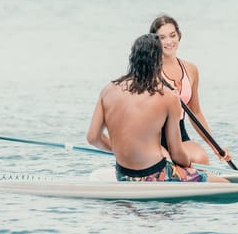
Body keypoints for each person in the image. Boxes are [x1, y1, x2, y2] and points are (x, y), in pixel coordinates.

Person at [86, 33, 228, 182]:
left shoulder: (108, 90)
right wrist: (188, 167)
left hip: (123, 175)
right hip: (156, 174)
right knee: (223, 183)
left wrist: (119, 150)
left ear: (132, 58)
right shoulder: (168, 96)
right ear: (159, 61)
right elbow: (177, 154)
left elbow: (93, 138)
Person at [149, 14, 230, 165]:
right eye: (162, 38)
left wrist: (216, 148)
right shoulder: (149, 71)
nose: (169, 42)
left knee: (201, 158)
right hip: (153, 137)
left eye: (172, 35)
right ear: (155, 41)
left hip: (179, 135)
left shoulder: (191, 70)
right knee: (166, 164)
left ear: (179, 35)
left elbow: (196, 113)